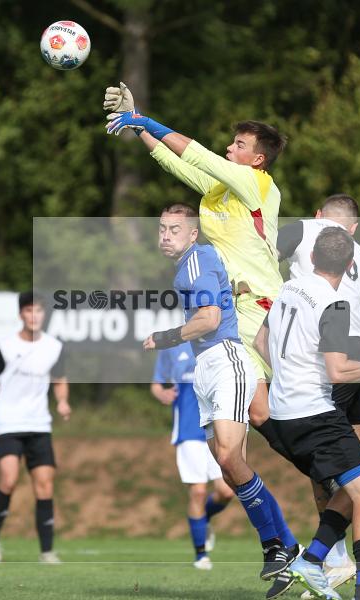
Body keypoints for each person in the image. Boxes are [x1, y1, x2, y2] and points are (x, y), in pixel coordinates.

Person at [104, 83, 286, 439]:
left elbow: (197, 154)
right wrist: (137, 124)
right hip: (235, 309)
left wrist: (143, 119)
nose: (229, 148)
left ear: (258, 160)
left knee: (298, 403)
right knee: (258, 412)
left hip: (261, 305)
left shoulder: (257, 182)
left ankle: (331, 458)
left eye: (239, 145)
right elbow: (173, 161)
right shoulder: (221, 189)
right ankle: (314, 461)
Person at [254, 227, 360, 600]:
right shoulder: (335, 304)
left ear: (312, 257)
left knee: (354, 487)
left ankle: (311, 561)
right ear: (348, 266)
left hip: (283, 415)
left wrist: (288, 379)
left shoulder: (287, 290)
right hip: (315, 414)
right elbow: (339, 371)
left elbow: (260, 341)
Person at [144, 204, 298, 583]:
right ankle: (287, 544)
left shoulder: (196, 259)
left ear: (193, 233)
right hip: (207, 369)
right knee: (230, 470)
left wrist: (165, 337)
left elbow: (210, 319)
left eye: (175, 229)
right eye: (162, 229)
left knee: (229, 459)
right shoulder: (189, 265)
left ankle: (275, 546)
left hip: (225, 360)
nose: (166, 235)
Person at [0, 291, 71, 564]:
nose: (34, 316)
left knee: (45, 486)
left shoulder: (54, 347)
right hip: (8, 424)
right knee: (8, 480)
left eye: (38, 310)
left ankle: (47, 552)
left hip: (39, 425)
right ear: (21, 314)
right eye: (29, 310)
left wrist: (62, 401)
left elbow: (60, 379)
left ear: (44, 314)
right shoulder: (5, 347)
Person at [150, 341, 235, 570]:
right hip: (188, 430)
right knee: (198, 491)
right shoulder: (172, 346)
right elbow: (156, 384)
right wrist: (162, 393)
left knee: (226, 491)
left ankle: (202, 519)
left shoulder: (219, 341)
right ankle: (201, 555)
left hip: (217, 427)